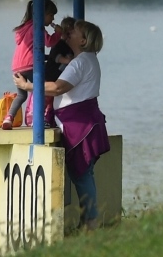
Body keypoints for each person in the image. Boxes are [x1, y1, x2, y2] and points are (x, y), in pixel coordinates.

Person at [16, 20, 110, 230]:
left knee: (82, 175)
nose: (68, 32)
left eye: (74, 31)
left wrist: (27, 85)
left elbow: (58, 88)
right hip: (87, 121)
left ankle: (91, 222)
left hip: (80, 124)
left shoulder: (79, 63)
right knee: (84, 175)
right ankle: (89, 221)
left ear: (83, 40)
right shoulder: (88, 59)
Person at [7, 0, 60, 128]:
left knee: (21, 95)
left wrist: (48, 57)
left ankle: (8, 118)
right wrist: (59, 33)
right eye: (51, 15)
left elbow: (31, 49)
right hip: (31, 65)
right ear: (43, 14)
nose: (52, 19)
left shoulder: (25, 27)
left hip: (17, 66)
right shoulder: (38, 27)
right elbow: (50, 42)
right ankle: (39, 118)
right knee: (42, 89)